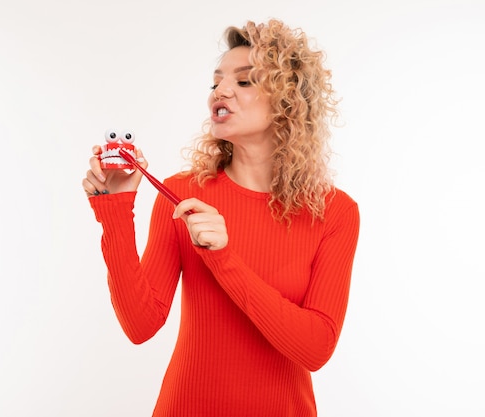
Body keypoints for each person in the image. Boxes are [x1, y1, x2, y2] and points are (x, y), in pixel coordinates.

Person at [82, 18, 360, 417]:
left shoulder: (335, 212)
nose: (221, 90)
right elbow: (140, 326)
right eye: (216, 81)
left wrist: (224, 259)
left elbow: (316, 348)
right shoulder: (183, 196)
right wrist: (115, 210)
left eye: (245, 81)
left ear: (289, 102)